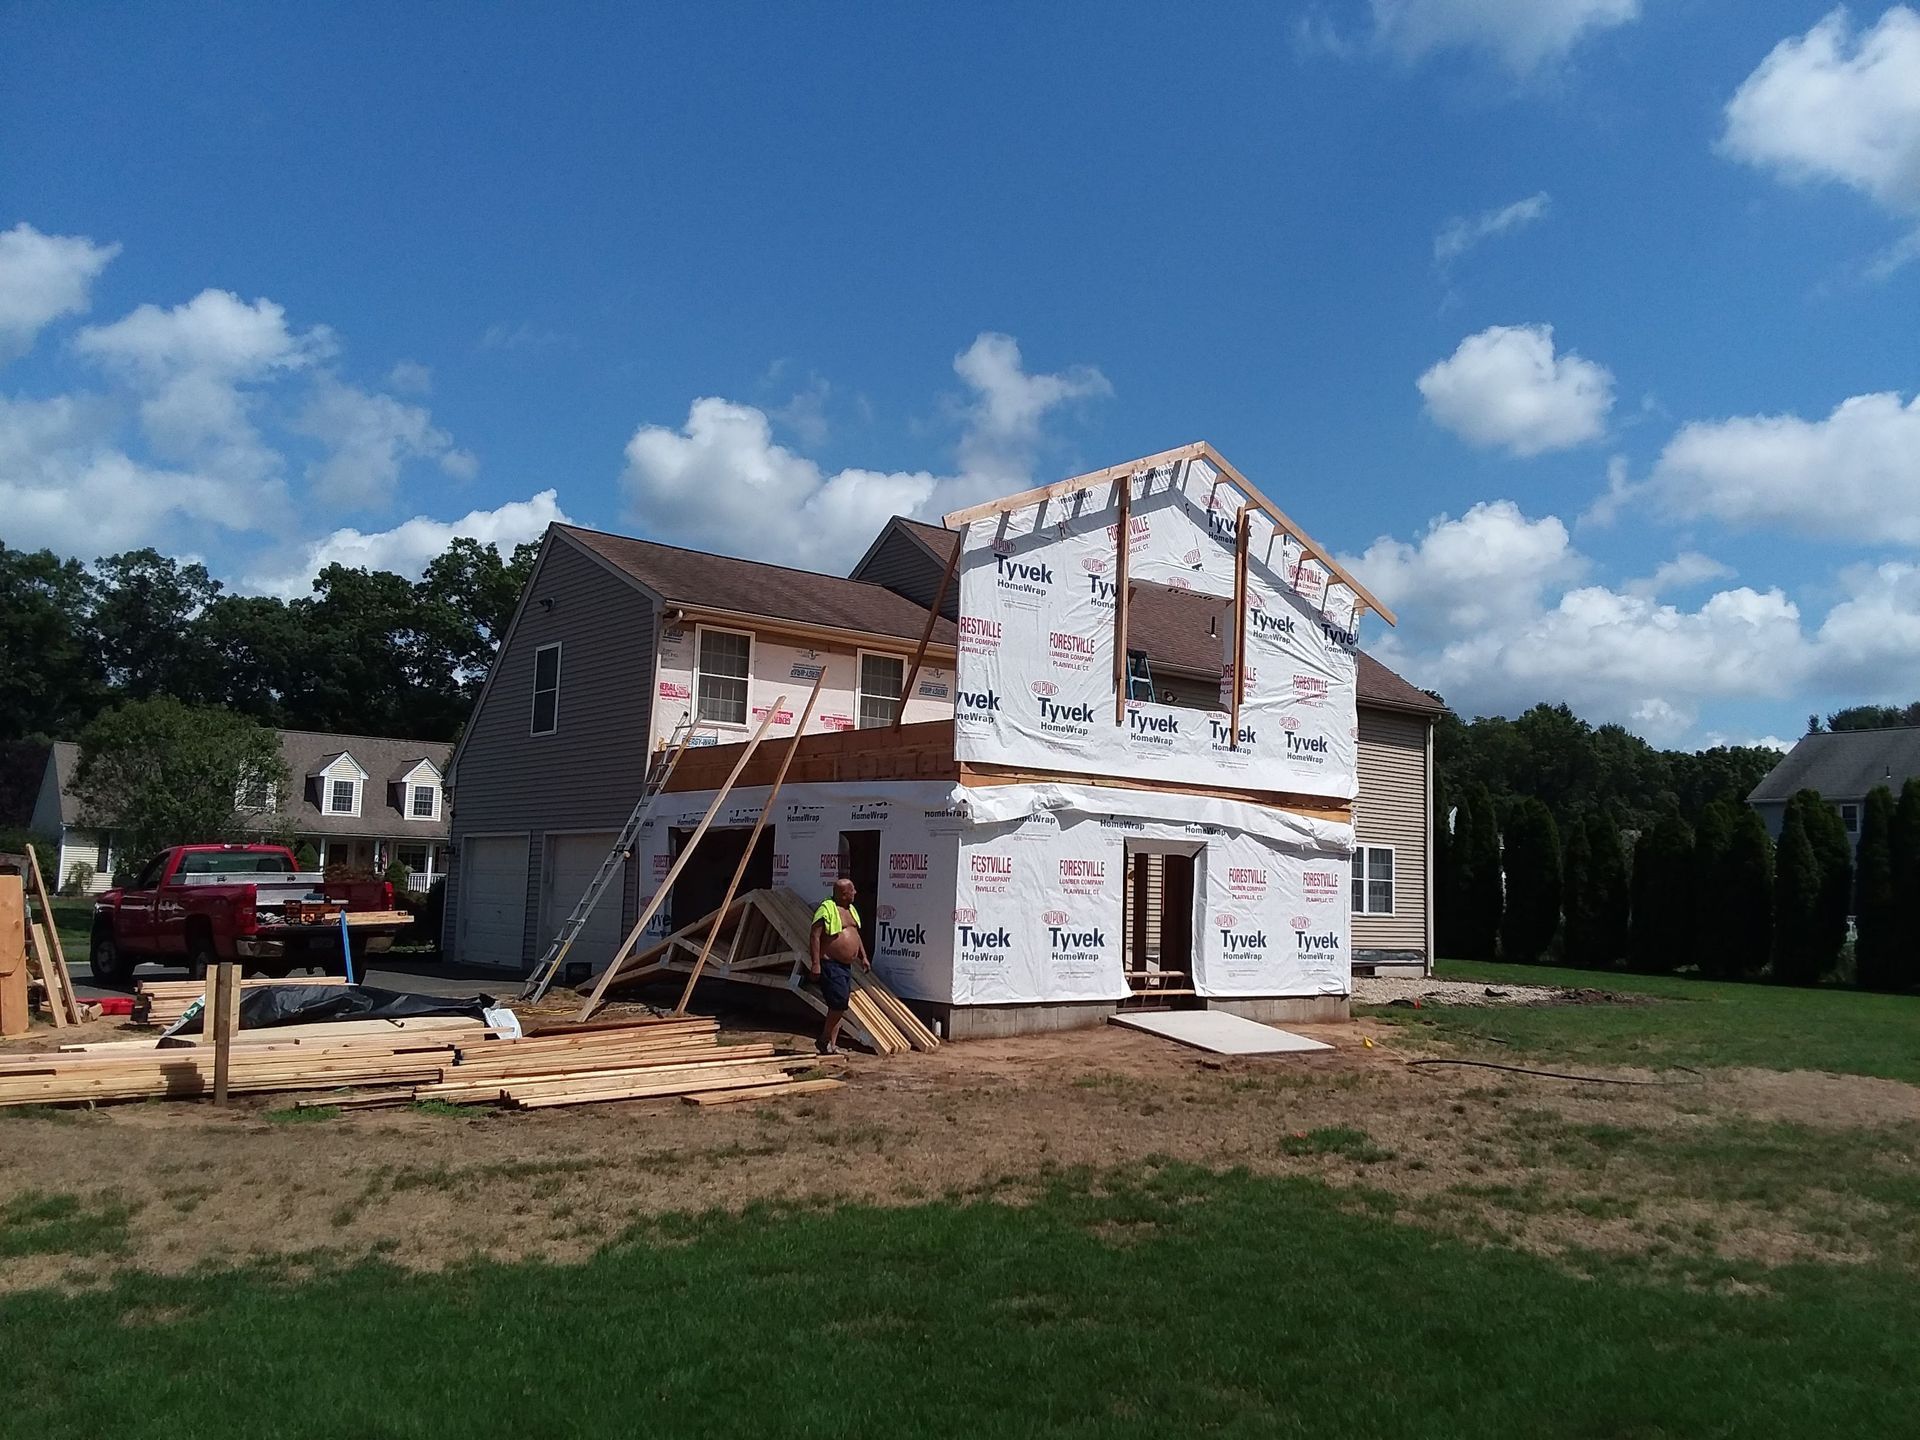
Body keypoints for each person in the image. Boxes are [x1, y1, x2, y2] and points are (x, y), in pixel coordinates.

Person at [808, 876, 870, 1055]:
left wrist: (863, 956)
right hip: (830, 963)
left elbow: (855, 934)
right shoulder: (826, 910)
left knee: (839, 1005)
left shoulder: (851, 909)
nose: (856, 893)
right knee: (839, 1004)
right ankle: (824, 1039)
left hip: (845, 966)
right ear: (844, 894)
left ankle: (831, 1046)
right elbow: (815, 936)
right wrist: (815, 963)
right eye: (852, 890)